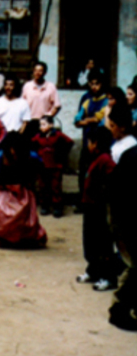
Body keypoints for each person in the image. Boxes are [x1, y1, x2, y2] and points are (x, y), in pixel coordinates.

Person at [106, 105, 137, 331]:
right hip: (128, 217)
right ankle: (120, 308)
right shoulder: (130, 155)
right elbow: (118, 194)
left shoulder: (129, 152)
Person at [76, 126, 118, 292]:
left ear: (96, 143)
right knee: (90, 242)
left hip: (99, 208)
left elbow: (114, 180)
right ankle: (92, 271)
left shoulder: (105, 160)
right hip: (90, 207)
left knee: (103, 244)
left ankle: (108, 277)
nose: (88, 145)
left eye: (89, 142)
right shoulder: (94, 158)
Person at [0, 132, 47, 249]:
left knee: (23, 217)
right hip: (5, 190)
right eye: (11, 149)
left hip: (23, 190)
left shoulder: (32, 156)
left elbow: (41, 171)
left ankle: (23, 238)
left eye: (15, 149)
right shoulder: (0, 156)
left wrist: (35, 185)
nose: (13, 152)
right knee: (1, 216)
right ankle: (4, 238)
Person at [74, 71, 108, 209]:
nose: (94, 87)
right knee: (84, 171)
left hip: (101, 142)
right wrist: (90, 120)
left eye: (97, 84)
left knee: (98, 173)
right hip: (87, 139)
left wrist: (88, 120)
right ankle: (83, 201)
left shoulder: (106, 99)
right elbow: (77, 120)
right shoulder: (86, 99)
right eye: (91, 84)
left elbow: (102, 120)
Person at [31, 115, 74, 218]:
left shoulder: (58, 135)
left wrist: (62, 154)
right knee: (43, 186)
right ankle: (44, 206)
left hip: (55, 165)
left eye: (44, 124)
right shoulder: (38, 136)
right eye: (40, 124)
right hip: (42, 165)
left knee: (55, 186)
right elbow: (31, 145)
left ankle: (57, 207)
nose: (41, 127)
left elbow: (70, 142)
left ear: (51, 124)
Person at [22, 61, 61, 139]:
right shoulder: (27, 86)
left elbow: (57, 106)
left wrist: (49, 117)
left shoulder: (51, 86)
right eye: (35, 70)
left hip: (44, 124)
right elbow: (22, 104)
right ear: (33, 72)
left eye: (40, 71)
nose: (37, 73)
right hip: (29, 122)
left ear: (45, 73)